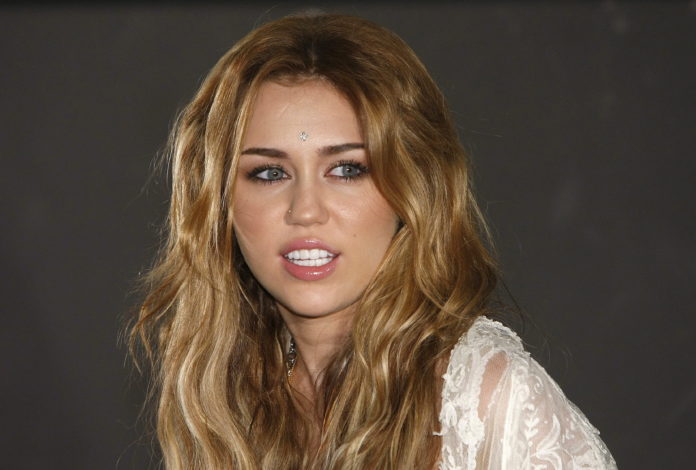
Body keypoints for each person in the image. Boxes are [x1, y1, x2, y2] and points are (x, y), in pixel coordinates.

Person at [130, 13, 618, 470]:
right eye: (270, 172)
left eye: (347, 169)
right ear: (218, 200)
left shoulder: (488, 401)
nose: (305, 210)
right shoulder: (226, 400)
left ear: (412, 187)